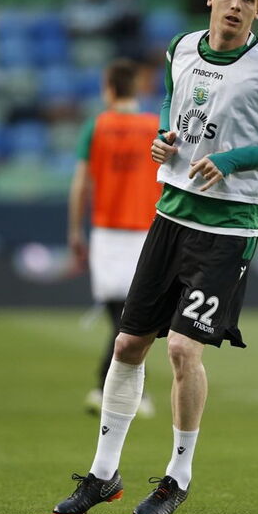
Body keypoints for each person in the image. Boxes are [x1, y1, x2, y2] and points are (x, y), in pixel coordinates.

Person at [52, 0, 258, 514]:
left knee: (181, 349)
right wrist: (164, 137)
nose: (236, 6)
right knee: (125, 347)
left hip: (227, 230)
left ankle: (177, 477)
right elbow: (174, 105)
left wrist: (233, 159)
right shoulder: (181, 48)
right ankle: (102, 475)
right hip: (170, 216)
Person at [69, 59, 158, 418]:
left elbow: (80, 183)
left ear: (109, 88)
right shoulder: (156, 126)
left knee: (122, 319)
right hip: (147, 232)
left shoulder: (97, 127)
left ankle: (112, 387)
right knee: (137, 321)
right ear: (135, 88)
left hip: (107, 233)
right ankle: (119, 390)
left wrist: (75, 230)